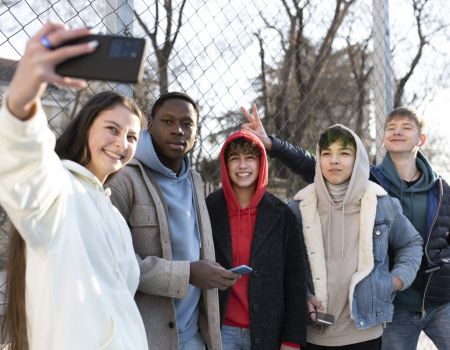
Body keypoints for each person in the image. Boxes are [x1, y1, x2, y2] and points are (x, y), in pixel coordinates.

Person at [242, 105, 450, 350]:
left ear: (421, 138)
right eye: (391, 127)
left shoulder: (438, 190)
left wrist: (396, 279)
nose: (397, 132)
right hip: (388, 308)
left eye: (406, 128)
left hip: (434, 298)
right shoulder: (371, 181)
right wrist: (274, 145)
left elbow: (415, 242)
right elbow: (312, 164)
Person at [0, 23, 148, 350]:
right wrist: (22, 101)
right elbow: (26, 166)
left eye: (132, 137)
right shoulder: (60, 189)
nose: (121, 143)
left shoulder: (112, 213)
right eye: (112, 128)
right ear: (85, 127)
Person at [105, 91, 238, 350]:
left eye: (187, 124)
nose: (178, 130)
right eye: (167, 122)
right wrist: (187, 273)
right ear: (150, 127)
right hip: (144, 337)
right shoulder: (124, 180)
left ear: (196, 134)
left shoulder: (195, 181)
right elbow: (113, 264)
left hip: (193, 334)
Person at [288, 124, 422, 349]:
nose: (334, 160)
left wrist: (395, 280)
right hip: (314, 332)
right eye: (326, 153)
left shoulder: (380, 202)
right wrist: (302, 294)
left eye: (344, 153)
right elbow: (286, 265)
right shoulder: (299, 207)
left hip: (365, 332)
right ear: (319, 159)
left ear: (358, 158)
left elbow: (411, 242)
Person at [205, 130, 307, 350]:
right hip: (222, 331)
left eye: (250, 157)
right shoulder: (208, 209)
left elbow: (296, 281)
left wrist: (292, 340)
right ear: (225, 163)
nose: (242, 165)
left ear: (261, 163)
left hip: (269, 330)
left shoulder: (281, 215)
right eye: (235, 158)